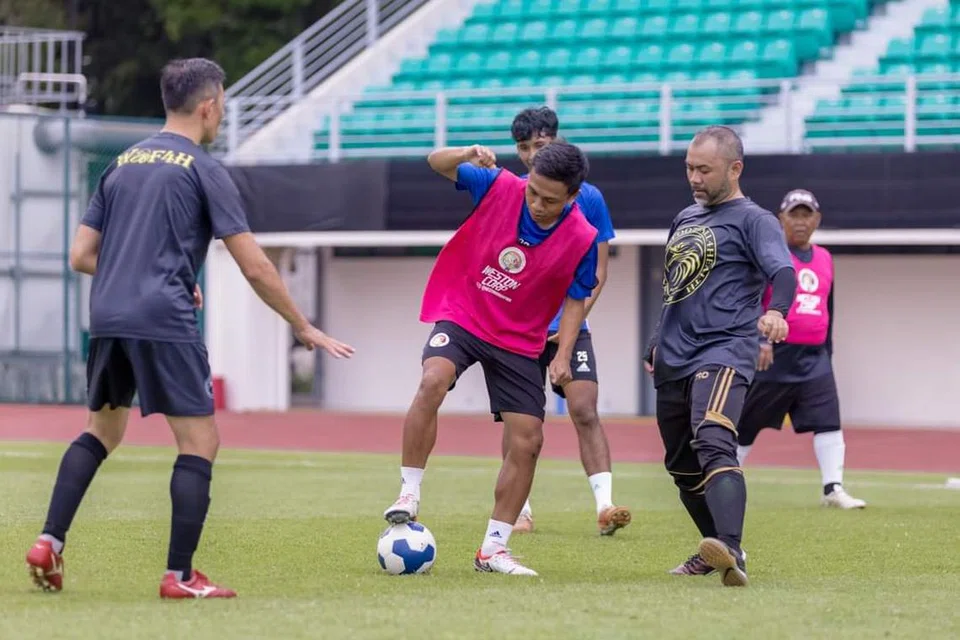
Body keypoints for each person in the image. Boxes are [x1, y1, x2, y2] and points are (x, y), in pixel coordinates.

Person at [24, 58, 354, 599]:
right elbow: (255, 265)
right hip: (162, 316)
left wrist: (143, 272)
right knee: (200, 439)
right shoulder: (203, 168)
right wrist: (304, 327)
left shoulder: (122, 163)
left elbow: (81, 254)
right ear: (208, 106)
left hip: (107, 315)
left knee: (101, 430)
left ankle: (49, 541)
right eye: (222, 102)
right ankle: (180, 576)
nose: (221, 111)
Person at [382, 141, 599, 576]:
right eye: (533, 192)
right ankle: (408, 492)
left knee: (529, 439)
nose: (536, 203)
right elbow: (434, 162)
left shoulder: (582, 238)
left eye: (549, 199)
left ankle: (493, 550)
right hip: (465, 312)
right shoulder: (499, 185)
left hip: (519, 338)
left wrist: (564, 353)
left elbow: (577, 298)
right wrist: (465, 154)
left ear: (573, 197)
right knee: (432, 380)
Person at [643, 126, 796, 587]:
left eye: (704, 169)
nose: (694, 177)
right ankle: (720, 551)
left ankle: (729, 542)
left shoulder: (755, 219)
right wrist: (656, 338)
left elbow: (782, 270)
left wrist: (777, 311)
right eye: (689, 167)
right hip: (673, 354)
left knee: (713, 438)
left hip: (725, 349)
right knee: (680, 464)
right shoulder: (685, 216)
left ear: (735, 168)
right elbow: (675, 285)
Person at [506, 107, 630, 537]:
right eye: (523, 148)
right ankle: (519, 509)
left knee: (583, 407)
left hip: (569, 323)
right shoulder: (514, 193)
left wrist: (569, 329)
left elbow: (597, 273)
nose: (529, 156)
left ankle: (605, 506)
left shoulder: (588, 198)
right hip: (519, 328)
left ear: (557, 142)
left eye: (538, 146)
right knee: (521, 419)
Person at [737, 189, 866, 510]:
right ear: (781, 219)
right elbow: (750, 299)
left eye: (806, 214)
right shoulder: (769, 254)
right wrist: (760, 339)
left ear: (817, 219)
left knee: (829, 421)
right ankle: (722, 481)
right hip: (773, 357)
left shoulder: (825, 258)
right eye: (793, 214)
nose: (800, 221)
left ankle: (832, 488)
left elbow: (827, 308)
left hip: (815, 359)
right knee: (746, 424)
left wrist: (828, 352)